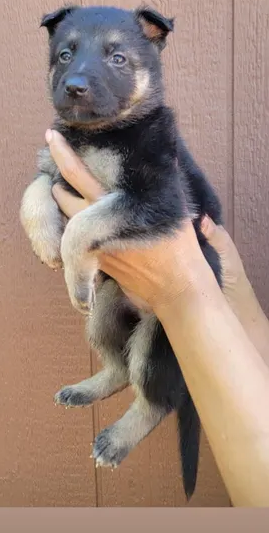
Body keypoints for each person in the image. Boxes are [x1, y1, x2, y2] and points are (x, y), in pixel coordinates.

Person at [44, 128, 269, 508]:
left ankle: (149, 408)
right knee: (101, 319)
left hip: (186, 271)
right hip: (173, 283)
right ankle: (118, 370)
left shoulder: (147, 136)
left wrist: (179, 288)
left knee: (151, 338)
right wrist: (239, 290)